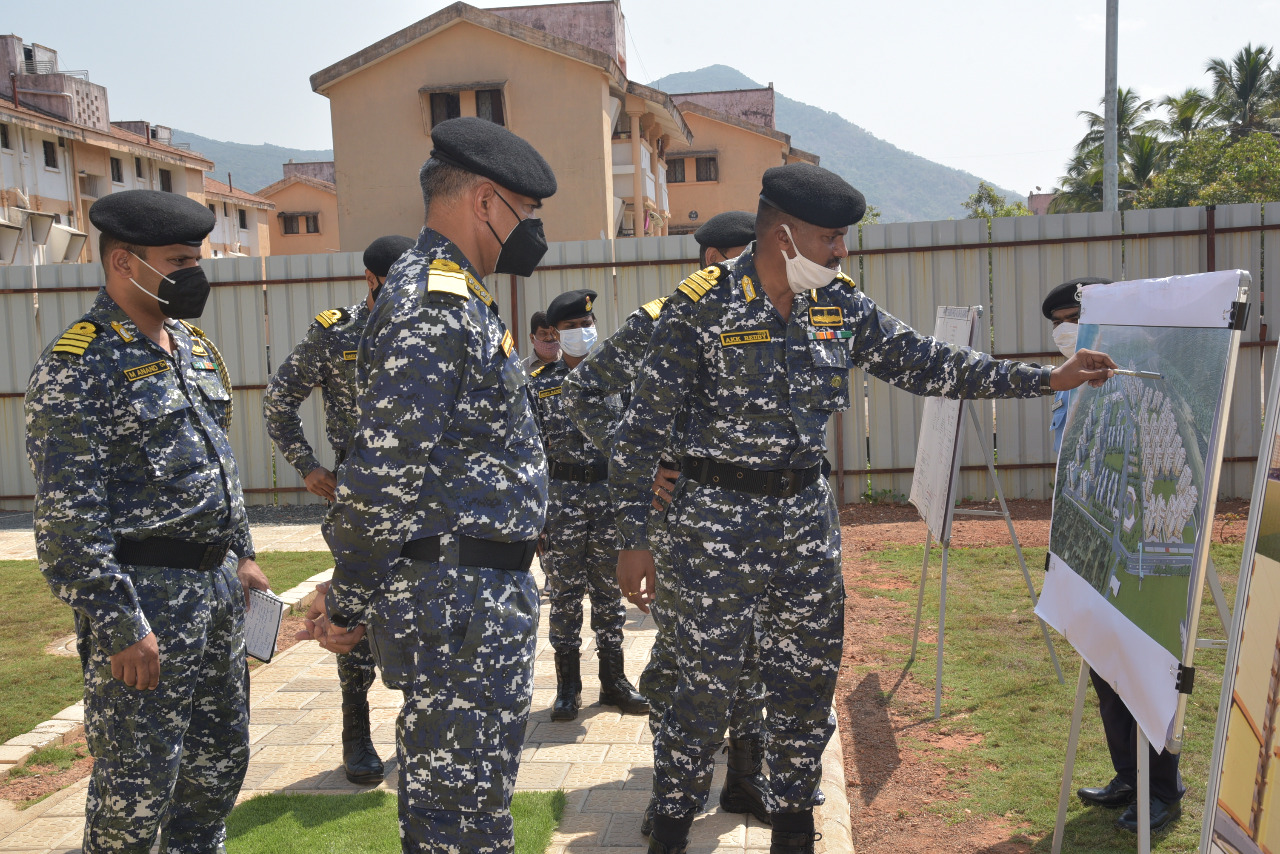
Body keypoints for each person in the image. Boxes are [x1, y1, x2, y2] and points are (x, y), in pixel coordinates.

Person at [610, 162, 1118, 854]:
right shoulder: (700, 308)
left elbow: (928, 362)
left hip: (805, 528)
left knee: (804, 682)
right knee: (700, 690)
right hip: (711, 528)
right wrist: (634, 537)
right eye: (829, 237)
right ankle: (669, 829)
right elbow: (640, 429)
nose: (841, 250)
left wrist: (1044, 378)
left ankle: (795, 829)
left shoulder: (838, 306)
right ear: (783, 235)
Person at [298, 115, 554, 853]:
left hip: (476, 598)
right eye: (527, 212)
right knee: (454, 822)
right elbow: (380, 479)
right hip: (457, 603)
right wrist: (346, 599)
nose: (532, 230)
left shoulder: (461, 296)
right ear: (484, 202)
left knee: (475, 811)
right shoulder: (432, 305)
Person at [25, 189, 269, 852]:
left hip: (218, 598)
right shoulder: (78, 364)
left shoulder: (192, 347)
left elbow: (219, 460)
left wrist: (242, 554)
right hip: (145, 607)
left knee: (215, 775)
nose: (194, 272)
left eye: (198, 257)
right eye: (179, 259)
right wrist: (118, 623)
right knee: (135, 798)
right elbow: (68, 517)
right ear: (125, 263)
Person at [563, 207, 771, 836]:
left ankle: (742, 780)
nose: (742, 268)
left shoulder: (778, 321)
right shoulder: (662, 319)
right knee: (684, 659)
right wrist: (647, 456)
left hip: (764, 525)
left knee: (756, 651)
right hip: (685, 525)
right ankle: (672, 789)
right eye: (730, 257)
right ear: (706, 260)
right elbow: (584, 392)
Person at [262, 233, 414, 784]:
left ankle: (416, 731)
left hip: (423, 494)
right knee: (354, 607)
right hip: (356, 492)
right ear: (372, 280)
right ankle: (357, 731)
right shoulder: (335, 333)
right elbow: (279, 401)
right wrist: (307, 466)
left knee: (421, 604)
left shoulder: (426, 331)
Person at [1043, 278, 1186, 833]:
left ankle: (1163, 789)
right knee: (1104, 665)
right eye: (1059, 319)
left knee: (1149, 667)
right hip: (1088, 542)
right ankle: (1128, 774)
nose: (1065, 328)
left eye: (1076, 315)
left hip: (1143, 548)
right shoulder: (1066, 382)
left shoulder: (1146, 377)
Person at [527, 289, 648, 722]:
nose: (581, 332)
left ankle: (614, 682)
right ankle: (567, 687)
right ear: (555, 334)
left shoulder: (620, 378)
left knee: (610, 591)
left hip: (609, 496)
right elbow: (531, 453)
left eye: (585, 325)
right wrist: (536, 516)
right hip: (560, 501)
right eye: (571, 327)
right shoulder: (538, 385)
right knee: (563, 594)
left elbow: (637, 442)